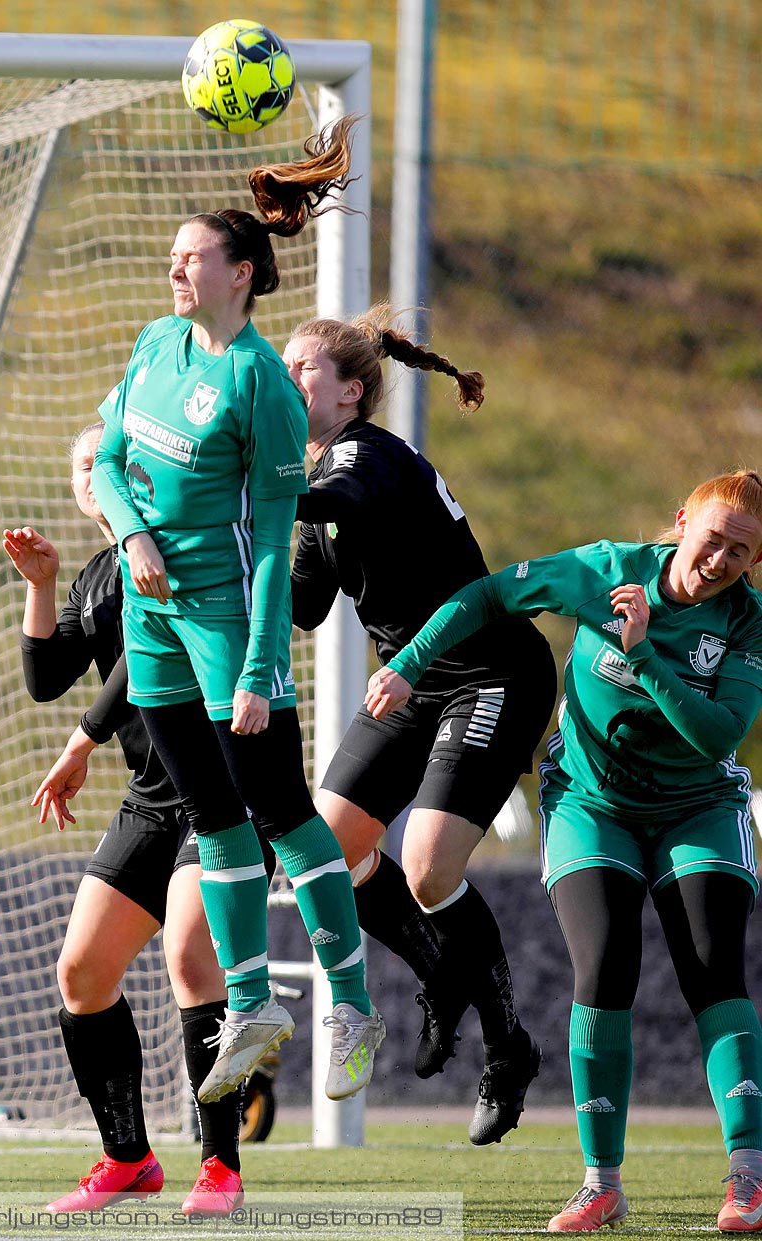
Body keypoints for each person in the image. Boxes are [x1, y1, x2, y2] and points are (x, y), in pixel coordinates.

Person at [366, 470, 762, 1234]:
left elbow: (717, 735)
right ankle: (600, 1183)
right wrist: (411, 660)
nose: (720, 560)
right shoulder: (606, 569)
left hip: (697, 807)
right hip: (592, 802)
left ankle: (748, 1174)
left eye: (741, 553)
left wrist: (642, 654)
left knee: (712, 967)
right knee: (605, 963)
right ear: (682, 521)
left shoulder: (746, 624)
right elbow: (486, 598)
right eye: (713, 538)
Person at [88, 114, 382, 1106]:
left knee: (284, 814)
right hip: (150, 611)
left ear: (242, 273)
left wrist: (258, 668)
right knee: (215, 815)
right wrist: (130, 536)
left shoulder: (261, 384)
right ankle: (253, 1002)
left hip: (225, 617)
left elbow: (270, 551)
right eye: (173, 258)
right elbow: (113, 459)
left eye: (193, 258)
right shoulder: (156, 342)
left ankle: (349, 1000)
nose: (176, 273)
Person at [284, 307, 554, 1144]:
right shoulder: (320, 478)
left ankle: (508, 1048)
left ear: (350, 391)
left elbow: (337, 494)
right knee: (324, 849)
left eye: (301, 371)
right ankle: (439, 971)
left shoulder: (366, 456)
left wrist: (240, 485)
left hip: (490, 671)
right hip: (407, 683)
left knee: (432, 871)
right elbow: (303, 606)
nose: (284, 381)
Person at [3, 423, 269, 1217]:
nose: (94, 474)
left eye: (106, 461)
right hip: (154, 795)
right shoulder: (96, 574)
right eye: (81, 463)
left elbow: (148, 665)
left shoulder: (171, 552)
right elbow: (48, 678)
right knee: (82, 974)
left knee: (191, 955)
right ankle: (128, 1158)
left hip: (223, 786)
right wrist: (43, 586)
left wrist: (83, 741)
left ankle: (220, 1165)